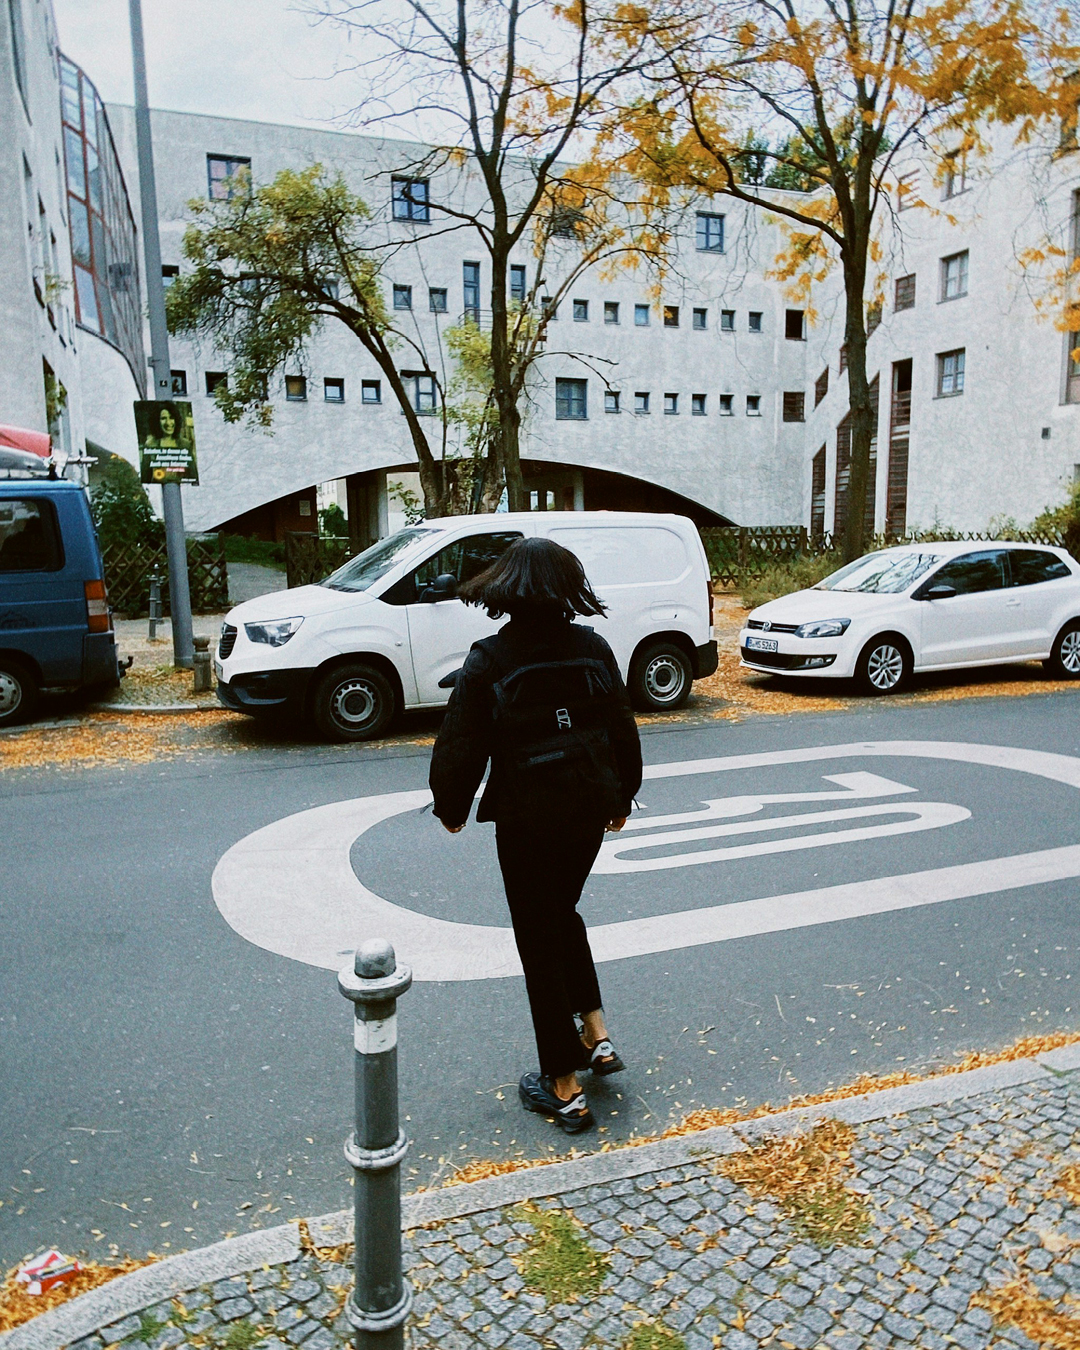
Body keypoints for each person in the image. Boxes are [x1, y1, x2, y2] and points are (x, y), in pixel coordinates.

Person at [429, 537, 643, 1134]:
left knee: (538, 937)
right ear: (566, 588)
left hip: (527, 816)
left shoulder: (492, 658)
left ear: (506, 589)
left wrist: (452, 804)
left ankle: (564, 1087)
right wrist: (623, 793)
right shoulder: (594, 648)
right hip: (588, 812)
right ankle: (595, 1035)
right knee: (561, 912)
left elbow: (461, 741)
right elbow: (620, 725)